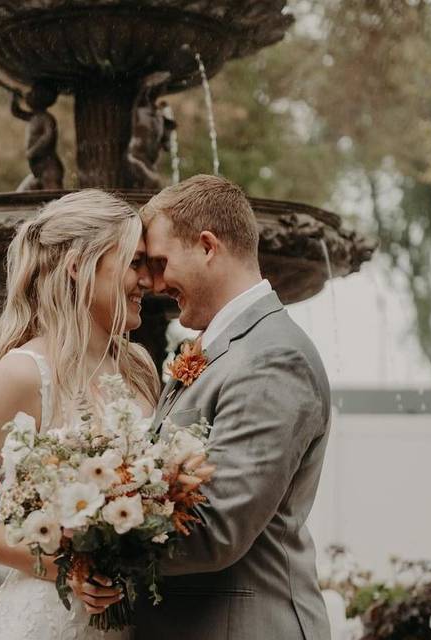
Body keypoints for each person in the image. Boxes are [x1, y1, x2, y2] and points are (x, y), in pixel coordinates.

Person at [0, 189, 160, 640]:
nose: (148, 282)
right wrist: (66, 566)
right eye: (134, 263)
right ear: (79, 267)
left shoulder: (139, 367)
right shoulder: (24, 373)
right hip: (50, 620)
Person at [131, 174, 333, 639]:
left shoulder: (271, 358)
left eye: (162, 263)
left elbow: (217, 529)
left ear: (207, 246)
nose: (156, 283)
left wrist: (87, 539)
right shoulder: (222, 349)